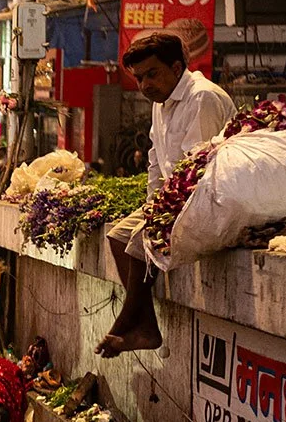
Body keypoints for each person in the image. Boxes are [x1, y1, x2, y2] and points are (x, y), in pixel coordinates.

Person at [97, 32, 237, 358]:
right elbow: (156, 163)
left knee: (140, 240)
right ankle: (145, 326)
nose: (144, 85)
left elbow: (198, 170)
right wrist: (152, 205)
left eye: (151, 74)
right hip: (177, 198)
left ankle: (126, 324)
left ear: (176, 68)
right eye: (139, 78)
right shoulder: (161, 101)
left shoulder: (201, 98)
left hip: (211, 198)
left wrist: (159, 214)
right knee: (118, 236)